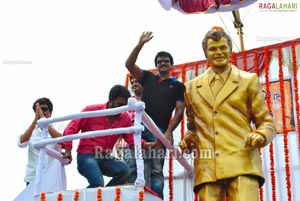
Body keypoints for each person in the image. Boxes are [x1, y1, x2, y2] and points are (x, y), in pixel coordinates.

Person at [178, 26, 276, 201]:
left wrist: (261, 135)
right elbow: (193, 128)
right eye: (213, 49)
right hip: (208, 167)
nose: (219, 52)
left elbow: (266, 122)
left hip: (242, 160)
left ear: (230, 50)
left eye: (223, 47)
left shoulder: (248, 80)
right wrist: (188, 141)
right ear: (206, 54)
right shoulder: (191, 87)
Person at [125, 31, 186, 199]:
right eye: (159, 62)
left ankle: (157, 198)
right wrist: (140, 44)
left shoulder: (178, 86)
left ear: (171, 65)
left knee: (156, 169)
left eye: (166, 61)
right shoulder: (148, 77)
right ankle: (131, 197)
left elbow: (180, 110)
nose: (163, 63)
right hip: (139, 125)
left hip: (159, 130)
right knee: (131, 164)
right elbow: (129, 65)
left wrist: (169, 131)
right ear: (157, 66)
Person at [60, 84, 153, 188]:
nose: (122, 109)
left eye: (124, 106)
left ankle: (104, 197)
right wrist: (68, 150)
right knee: (98, 182)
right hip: (86, 156)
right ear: (110, 100)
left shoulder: (125, 118)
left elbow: (131, 138)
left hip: (105, 157)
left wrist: (149, 144)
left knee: (125, 171)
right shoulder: (92, 110)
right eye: (119, 105)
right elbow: (72, 127)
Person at [18, 97, 63, 186]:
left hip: (53, 177)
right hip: (33, 177)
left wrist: (44, 121)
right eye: (37, 110)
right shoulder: (31, 129)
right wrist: (35, 121)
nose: (41, 112)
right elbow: (21, 142)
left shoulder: (59, 126)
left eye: (44, 109)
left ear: (50, 112)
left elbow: (62, 140)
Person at [115, 75, 144, 183]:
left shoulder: (150, 100)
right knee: (130, 168)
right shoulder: (127, 102)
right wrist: (118, 142)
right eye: (132, 83)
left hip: (146, 142)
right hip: (128, 142)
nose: (134, 84)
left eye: (137, 81)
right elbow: (119, 121)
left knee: (145, 169)